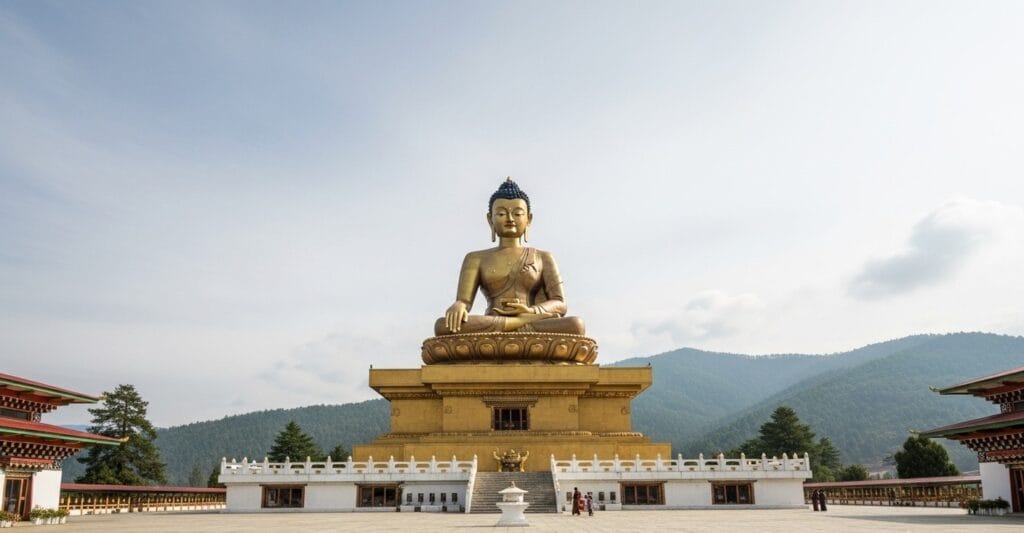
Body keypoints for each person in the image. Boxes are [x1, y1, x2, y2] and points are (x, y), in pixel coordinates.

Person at [435, 178, 585, 336]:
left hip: (531, 321)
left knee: (576, 325)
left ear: (529, 219)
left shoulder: (543, 257)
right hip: (493, 322)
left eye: (517, 213)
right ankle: (517, 324)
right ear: (489, 219)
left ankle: (517, 324)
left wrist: (530, 311)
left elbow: (560, 303)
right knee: (442, 326)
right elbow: (464, 302)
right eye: (501, 213)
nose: (510, 219)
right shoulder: (475, 258)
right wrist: (459, 306)